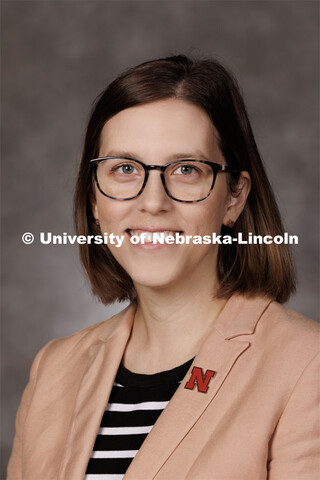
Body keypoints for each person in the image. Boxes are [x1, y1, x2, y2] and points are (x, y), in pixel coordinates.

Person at [7, 55, 319, 480]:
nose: (152, 202)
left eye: (186, 170)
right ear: (94, 201)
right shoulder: (54, 368)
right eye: (124, 169)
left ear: (234, 198)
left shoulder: (307, 364)